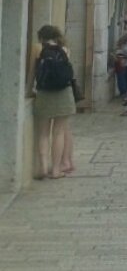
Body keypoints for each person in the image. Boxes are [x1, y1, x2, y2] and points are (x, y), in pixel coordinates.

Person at [30, 25, 76, 179]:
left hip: (44, 93)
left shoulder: (38, 48)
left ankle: (43, 166)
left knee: (43, 133)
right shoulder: (65, 50)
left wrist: (29, 89)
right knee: (59, 133)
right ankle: (56, 170)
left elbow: (33, 72)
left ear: (41, 36)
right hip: (64, 93)